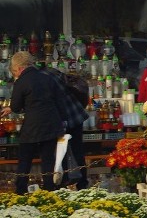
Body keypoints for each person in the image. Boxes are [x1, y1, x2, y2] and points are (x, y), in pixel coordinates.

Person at [1, 52, 66, 194]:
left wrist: (12, 107)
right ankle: (49, 190)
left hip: (32, 126)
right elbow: (59, 101)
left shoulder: (21, 82)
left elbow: (17, 107)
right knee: (48, 160)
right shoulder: (47, 78)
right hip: (51, 124)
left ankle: (20, 191)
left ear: (18, 68)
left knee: (25, 159)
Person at [44, 68, 90, 188]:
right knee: (78, 151)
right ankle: (82, 183)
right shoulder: (53, 72)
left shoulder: (41, 78)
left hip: (62, 118)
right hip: (75, 113)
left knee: (60, 153)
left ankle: (63, 183)